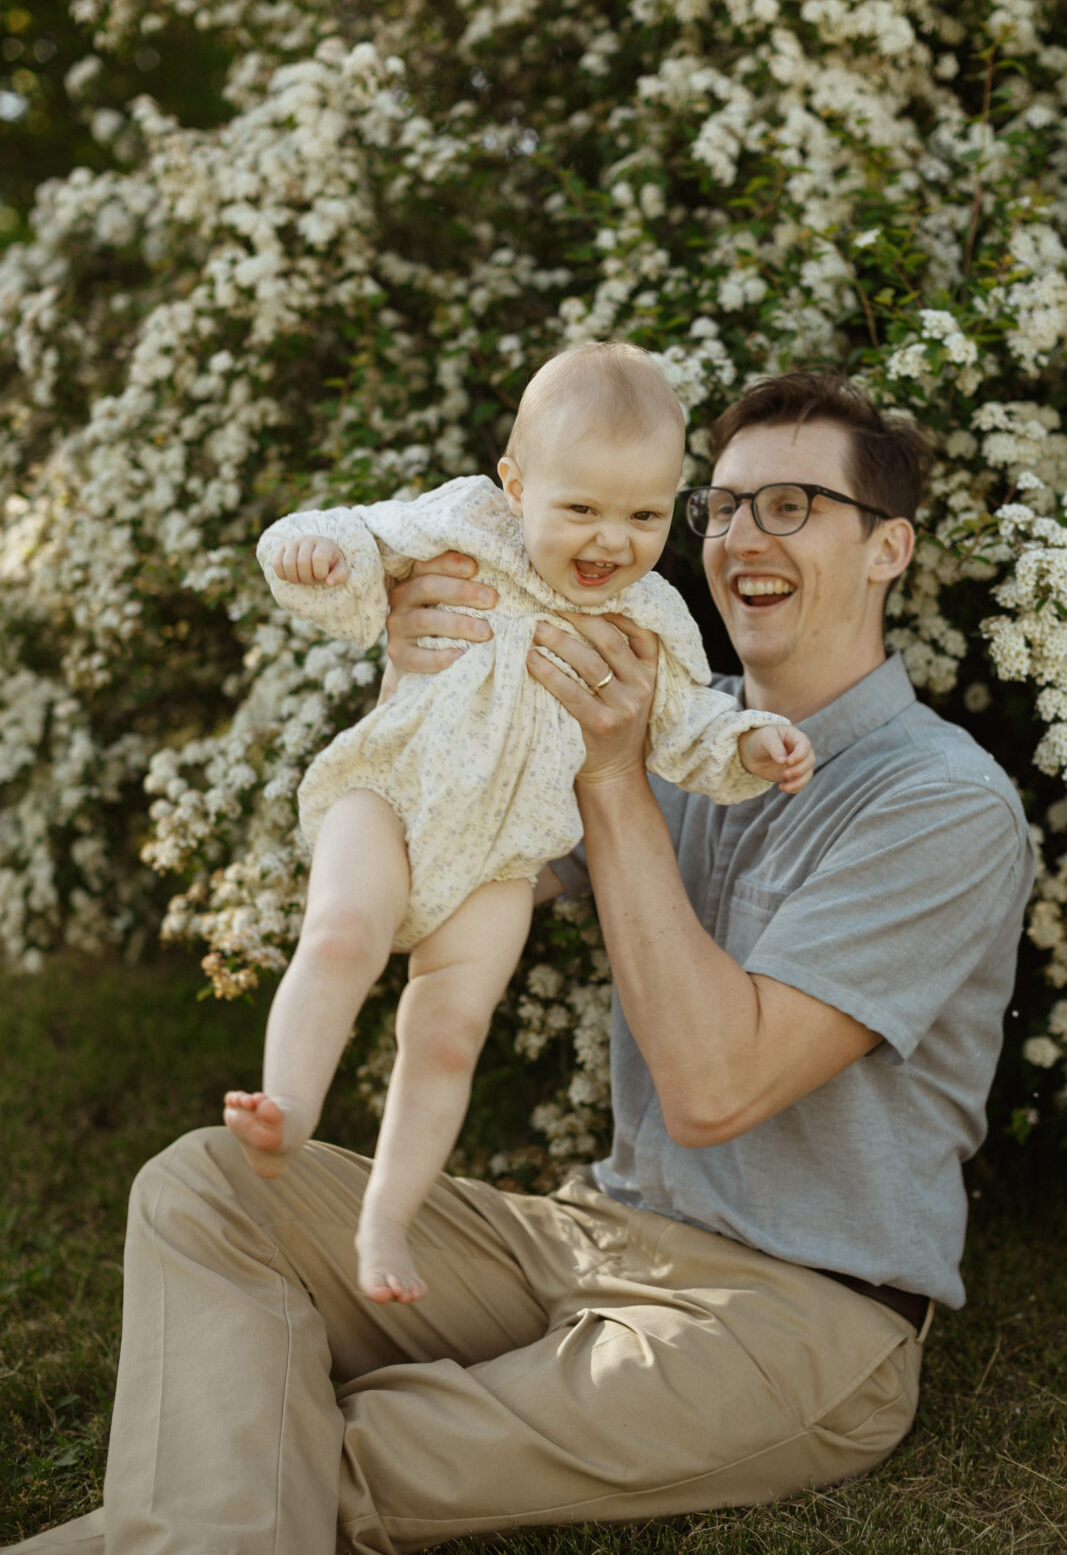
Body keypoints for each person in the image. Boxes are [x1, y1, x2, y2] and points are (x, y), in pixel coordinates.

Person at [8, 369, 1033, 1555]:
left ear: (887, 548)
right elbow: (445, 885)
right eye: (724, 506)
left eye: (791, 505)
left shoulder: (936, 799)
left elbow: (714, 1088)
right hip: (587, 1233)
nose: (741, 536)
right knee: (205, 1186)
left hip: (790, 1310)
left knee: (324, 1448)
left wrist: (611, 774)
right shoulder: (659, 718)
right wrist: (424, 661)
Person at [223, 342, 812, 1303]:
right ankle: (287, 1108)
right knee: (339, 934)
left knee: (451, 1031)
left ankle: (383, 1222)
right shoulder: (463, 523)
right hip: (392, 794)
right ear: (514, 485)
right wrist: (318, 555)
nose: (610, 541)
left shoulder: (651, 615)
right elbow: (357, 540)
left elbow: (687, 722)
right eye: (579, 509)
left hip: (501, 858)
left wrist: (748, 742)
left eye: (644, 515)